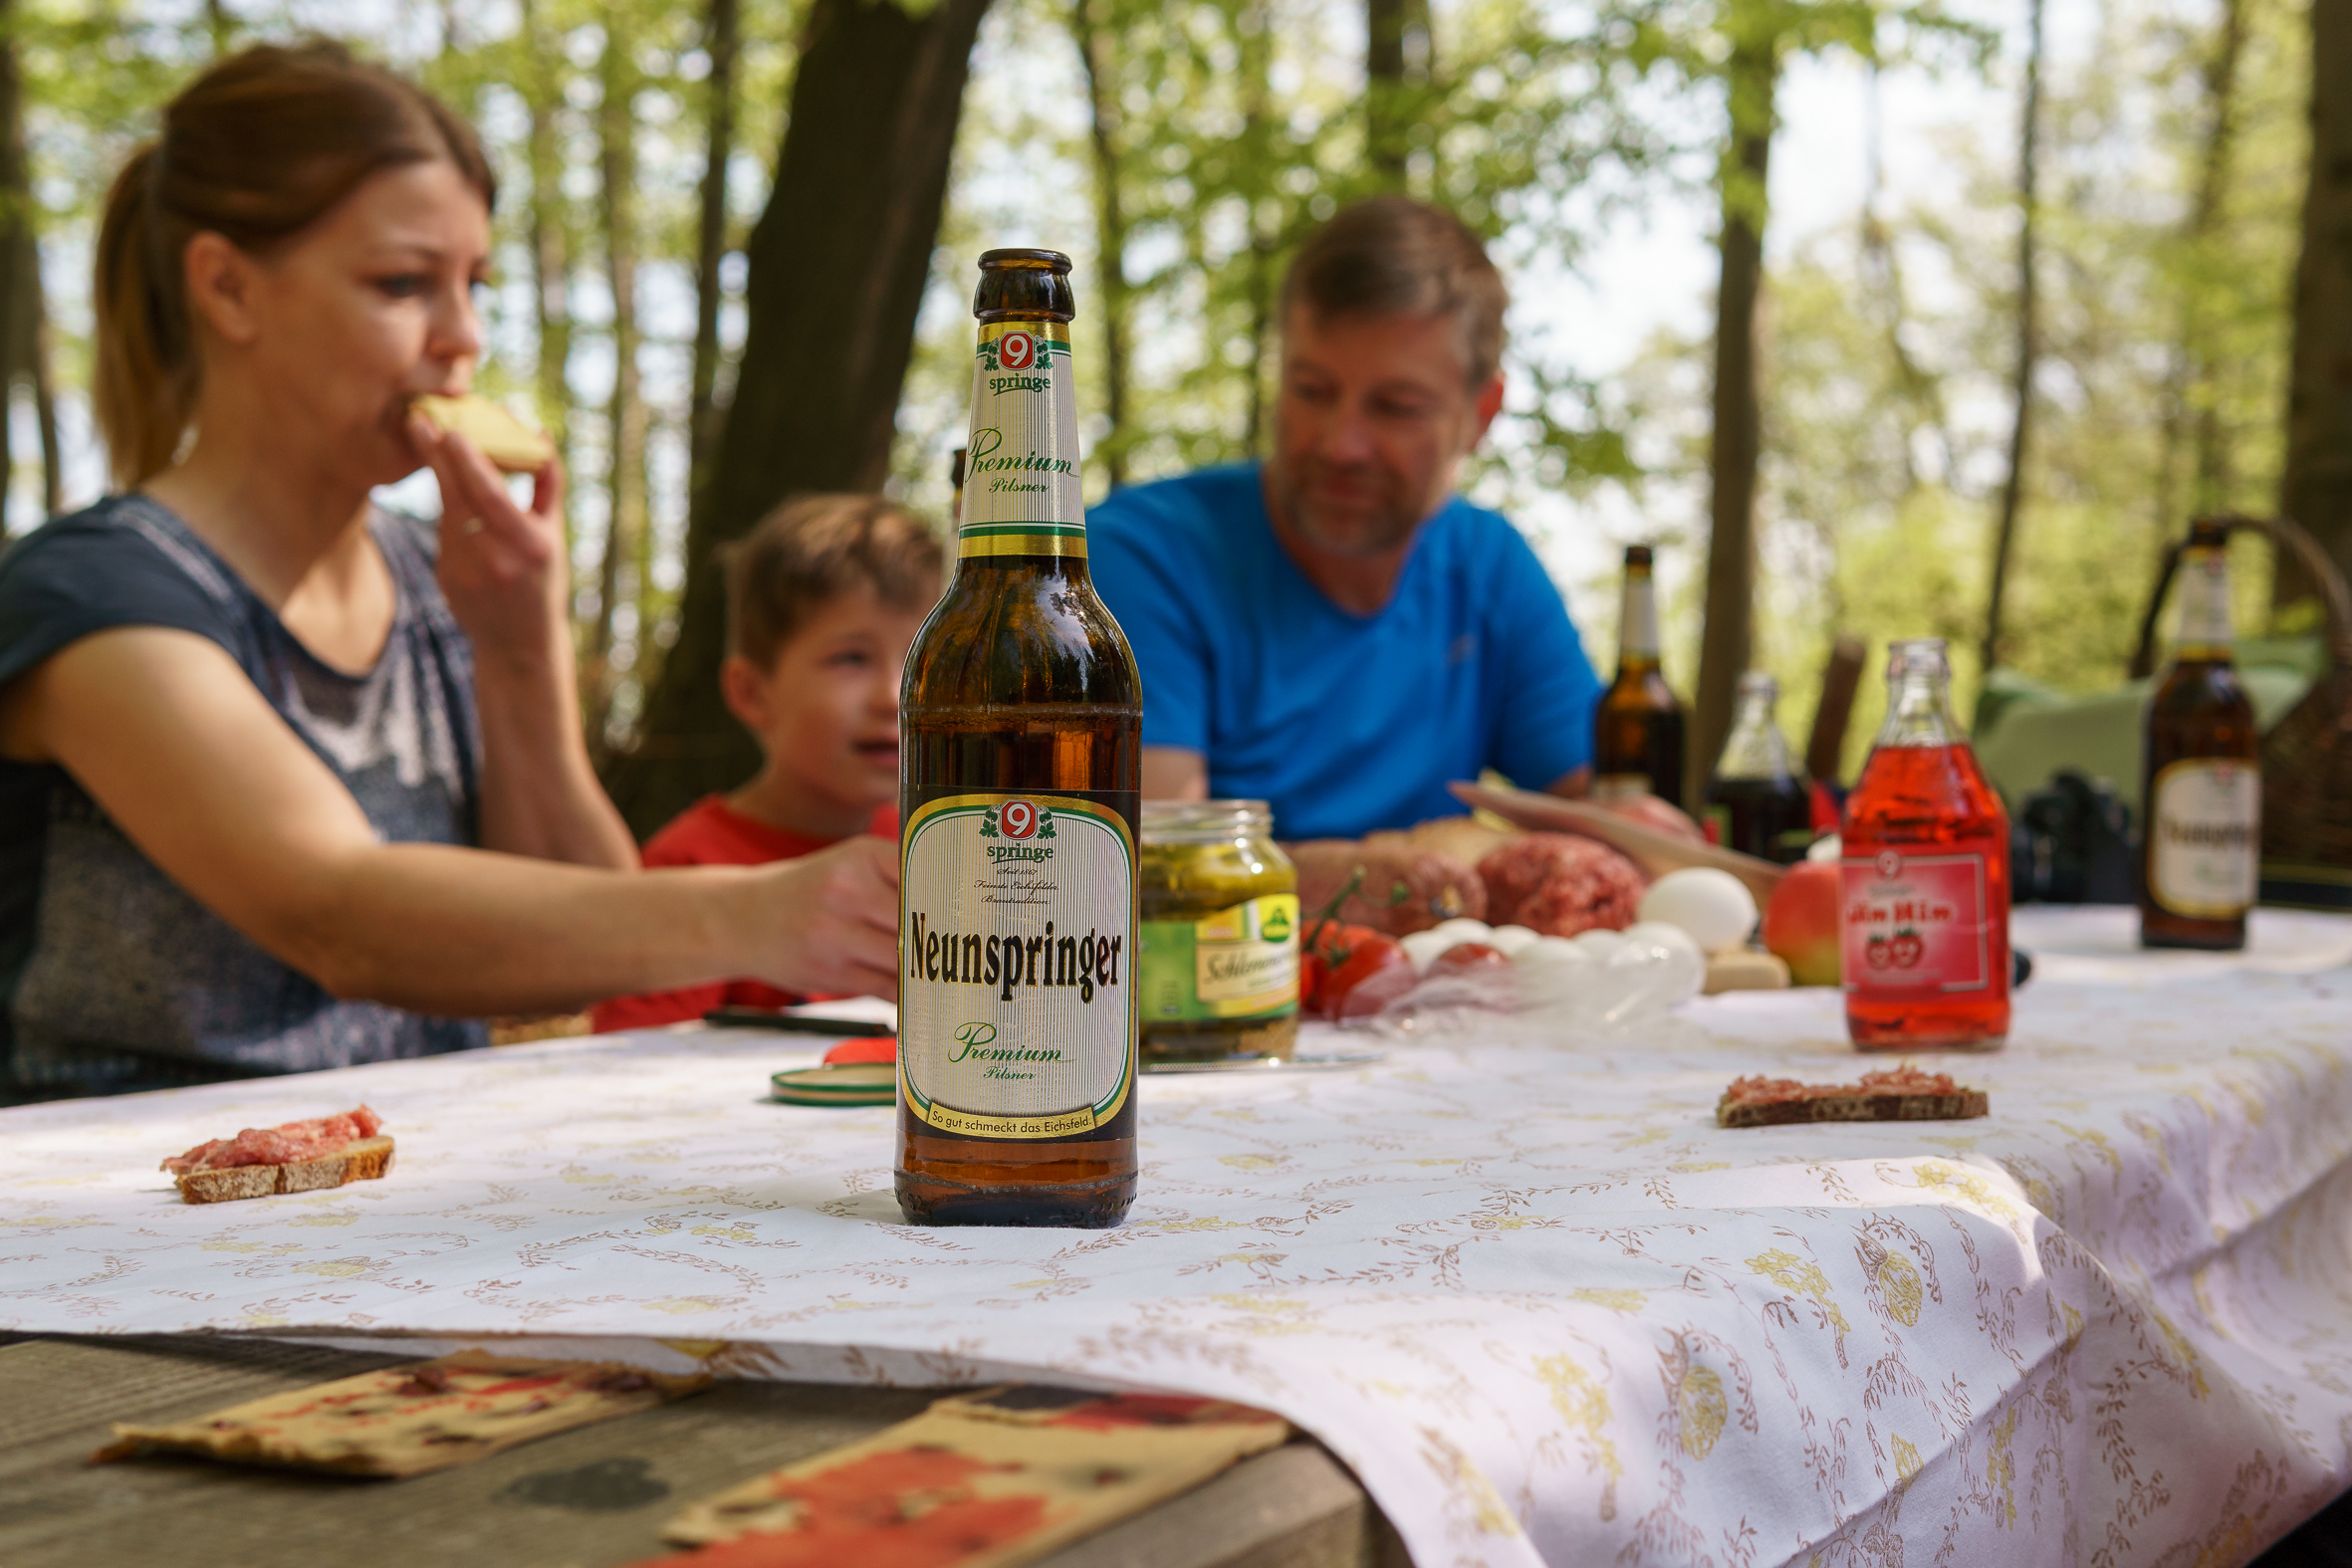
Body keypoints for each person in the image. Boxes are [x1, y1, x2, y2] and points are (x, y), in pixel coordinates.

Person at [0, 44, 896, 1102]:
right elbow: (340, 912)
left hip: (404, 1201)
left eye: (473, 285)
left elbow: (590, 928)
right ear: (228, 288)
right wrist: (761, 910)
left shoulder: (439, 579)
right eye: (403, 285)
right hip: (129, 1221)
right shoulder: (96, 599)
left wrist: (521, 652)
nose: (462, 338)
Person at [1086, 196, 1606, 842]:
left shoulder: (1490, 567)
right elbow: (1154, 860)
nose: (1340, 444)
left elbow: (1607, 819)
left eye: (1395, 407)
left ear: (1483, 414)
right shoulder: (1137, 558)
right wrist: (1396, 873)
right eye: (1312, 390)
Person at [592, 495, 941, 1031]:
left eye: (924, 657)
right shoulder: (691, 867)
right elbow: (633, 1069)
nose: (896, 695)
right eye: (852, 658)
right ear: (752, 693)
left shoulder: (936, 852)